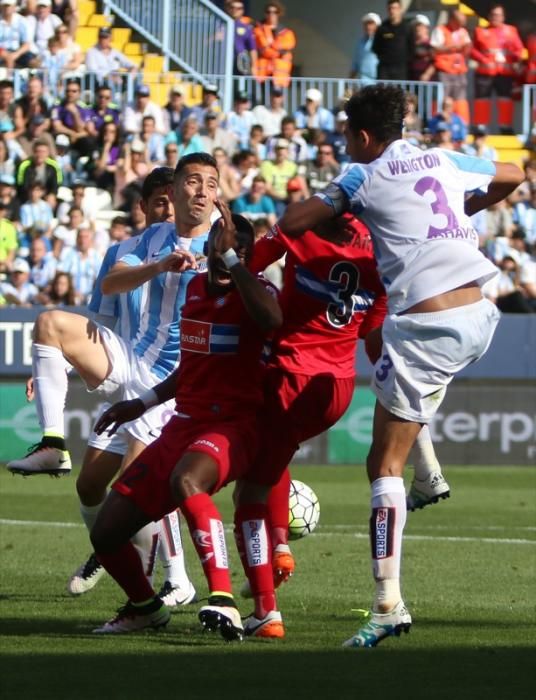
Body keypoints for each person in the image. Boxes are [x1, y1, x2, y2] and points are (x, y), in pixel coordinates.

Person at [272, 83, 523, 647]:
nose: (345, 145)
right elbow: (513, 174)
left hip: (430, 327)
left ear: (362, 136)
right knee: (385, 350)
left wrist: (332, 213)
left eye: (346, 137)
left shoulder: (364, 175)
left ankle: (388, 605)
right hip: (482, 312)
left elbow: (291, 221)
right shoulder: (442, 157)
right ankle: (430, 476)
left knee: (382, 467)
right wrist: (464, 207)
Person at [7, 160, 215, 608]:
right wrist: (56, 362)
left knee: (136, 486)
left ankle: (173, 576)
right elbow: (99, 317)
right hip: (124, 362)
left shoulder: (217, 241)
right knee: (89, 486)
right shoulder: (137, 247)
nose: (165, 209)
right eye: (158, 202)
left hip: (165, 383)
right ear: (145, 206)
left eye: (170, 201)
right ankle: (108, 542)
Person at [88, 208, 282, 637]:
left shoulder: (257, 293)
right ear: (207, 247)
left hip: (233, 426)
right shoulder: (194, 289)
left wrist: (235, 261)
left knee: (188, 481)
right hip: (182, 425)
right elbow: (189, 367)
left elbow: (272, 321)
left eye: (238, 250)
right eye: (220, 245)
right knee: (106, 531)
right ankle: (145, 608)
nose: (226, 254)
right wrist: (140, 404)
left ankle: (223, 599)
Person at [470, 4, 524, 134]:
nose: (496, 17)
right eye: (493, 15)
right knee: (482, 100)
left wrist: (515, 56)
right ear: (489, 16)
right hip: (485, 72)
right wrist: (483, 60)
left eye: (498, 15)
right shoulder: (480, 31)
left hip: (504, 73)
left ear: (503, 17)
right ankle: (480, 127)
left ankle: (505, 127)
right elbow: (471, 50)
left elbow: (519, 50)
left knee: (505, 101)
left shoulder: (511, 31)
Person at [430, 8, 472, 125]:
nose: (460, 25)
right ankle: (439, 125)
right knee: (443, 99)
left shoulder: (463, 31)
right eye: (458, 22)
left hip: (459, 71)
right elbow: (435, 49)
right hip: (444, 70)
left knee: (460, 101)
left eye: (462, 23)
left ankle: (462, 125)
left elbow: (467, 49)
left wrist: (466, 47)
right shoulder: (440, 30)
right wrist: (452, 47)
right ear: (452, 19)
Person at [254, 2, 296, 88]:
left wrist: (273, 46)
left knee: (278, 98)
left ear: (279, 14)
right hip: (263, 74)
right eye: (268, 12)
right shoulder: (258, 30)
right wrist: (277, 52)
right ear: (265, 14)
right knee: (262, 98)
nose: (271, 14)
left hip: (279, 74)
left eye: (275, 12)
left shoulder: (287, 32)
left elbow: (289, 45)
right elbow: (262, 48)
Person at [372, 0, 412, 81]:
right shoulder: (382, 28)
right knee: (382, 92)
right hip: (384, 69)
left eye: (394, 8)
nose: (392, 11)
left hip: (402, 70)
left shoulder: (408, 27)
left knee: (400, 93)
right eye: (390, 8)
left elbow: (412, 48)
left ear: (400, 9)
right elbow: (376, 47)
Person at [225, 0, 257, 76]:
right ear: (228, 8)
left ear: (242, 11)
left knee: (239, 86)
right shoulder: (220, 23)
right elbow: (206, 43)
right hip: (221, 64)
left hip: (240, 64)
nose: (235, 10)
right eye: (232, 7)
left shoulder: (246, 27)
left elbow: (252, 49)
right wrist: (215, 38)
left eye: (239, 8)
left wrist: (253, 66)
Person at [349, 12, 381, 83]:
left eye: (371, 24)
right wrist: (348, 82)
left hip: (378, 83)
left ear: (377, 26)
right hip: (363, 83)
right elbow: (355, 64)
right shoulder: (360, 42)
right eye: (366, 24)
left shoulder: (382, 41)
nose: (368, 26)